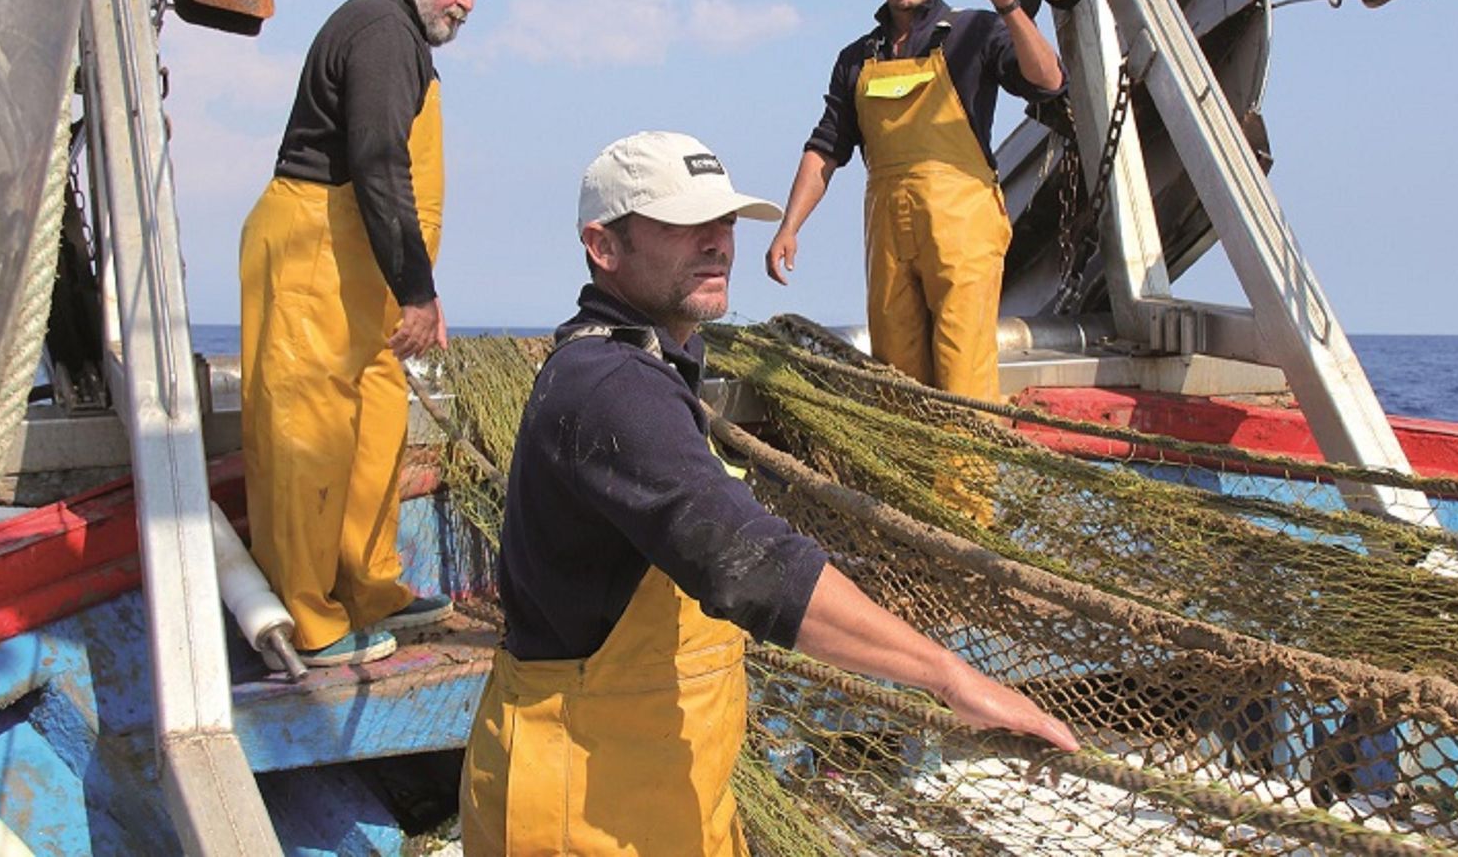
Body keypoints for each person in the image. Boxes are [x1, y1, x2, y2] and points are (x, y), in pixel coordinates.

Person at [458, 130, 1077, 855]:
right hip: (578, 807)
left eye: (723, 222)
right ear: (604, 246)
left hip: (658, 787)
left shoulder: (652, 366)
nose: (718, 242)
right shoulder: (610, 387)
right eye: (684, 224)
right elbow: (750, 563)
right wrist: (949, 676)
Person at [239, 0, 486, 668]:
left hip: (364, 267)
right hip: (315, 246)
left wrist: (417, 291)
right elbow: (379, 165)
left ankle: (368, 581)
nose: (467, 1)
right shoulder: (381, 31)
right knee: (308, 431)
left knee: (376, 417)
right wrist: (416, 289)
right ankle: (310, 618)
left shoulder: (401, 39)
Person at [766, 0, 1066, 404]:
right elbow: (826, 148)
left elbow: (1048, 80)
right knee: (896, 378)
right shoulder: (857, 57)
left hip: (962, 224)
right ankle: (913, 482)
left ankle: (967, 486)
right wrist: (789, 226)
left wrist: (1009, 5)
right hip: (887, 232)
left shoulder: (976, 31)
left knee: (963, 373)